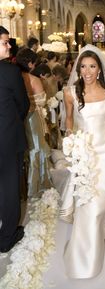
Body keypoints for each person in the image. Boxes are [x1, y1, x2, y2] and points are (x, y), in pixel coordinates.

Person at [61, 44, 105, 278]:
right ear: (78, 68)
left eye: (92, 66)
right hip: (85, 156)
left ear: (100, 70)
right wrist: (70, 138)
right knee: (89, 207)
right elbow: (69, 120)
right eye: (83, 66)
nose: (87, 71)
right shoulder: (70, 92)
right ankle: (84, 260)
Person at [0, 26, 29, 252]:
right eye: (5, 42)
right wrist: (12, 122)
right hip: (7, 137)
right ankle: (7, 237)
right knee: (9, 186)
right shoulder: (9, 72)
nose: (9, 46)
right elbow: (23, 104)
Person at [16, 48, 52, 197]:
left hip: (19, 118)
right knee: (37, 148)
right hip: (32, 118)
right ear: (30, 64)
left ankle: (23, 186)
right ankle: (38, 184)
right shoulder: (34, 79)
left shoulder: (14, 76)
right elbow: (42, 102)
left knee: (25, 150)